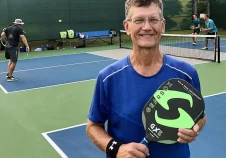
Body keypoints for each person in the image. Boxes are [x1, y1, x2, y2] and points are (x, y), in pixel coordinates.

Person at [86, 0, 207, 158]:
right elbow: (93, 126)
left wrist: (194, 128)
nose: (147, 27)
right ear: (127, 26)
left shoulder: (187, 73)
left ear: (162, 26)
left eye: (153, 20)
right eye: (139, 20)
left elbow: (200, 116)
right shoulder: (107, 78)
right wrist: (116, 149)